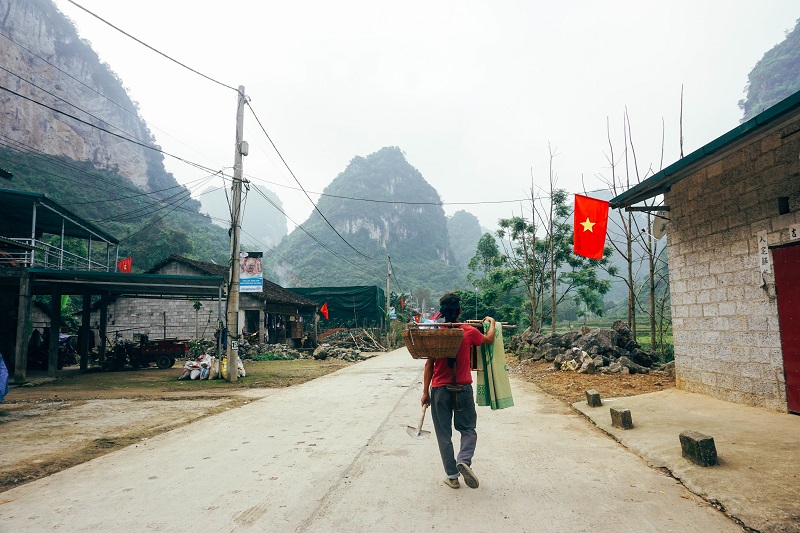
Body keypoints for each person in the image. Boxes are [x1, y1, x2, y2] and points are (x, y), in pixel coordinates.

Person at [420, 292, 496, 489]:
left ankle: (452, 476)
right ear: (460, 310)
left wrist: (425, 392)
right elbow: (488, 339)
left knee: (443, 433)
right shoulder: (469, 331)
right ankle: (464, 460)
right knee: (468, 428)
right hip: (463, 388)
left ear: (441, 312)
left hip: (439, 390)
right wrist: (493, 323)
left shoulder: (436, 334)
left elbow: (429, 365)